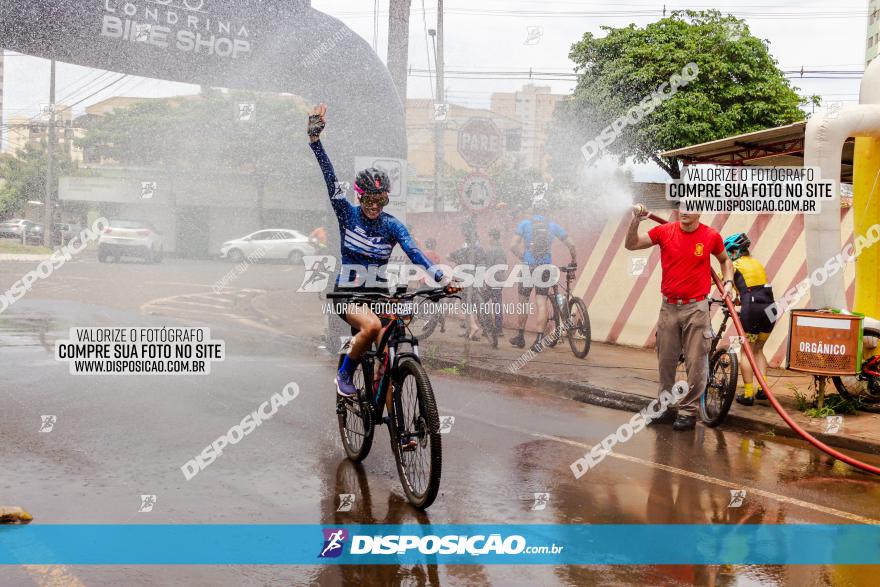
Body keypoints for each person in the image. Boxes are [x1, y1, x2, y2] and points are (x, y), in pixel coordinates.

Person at [307, 103, 449, 410]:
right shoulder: (347, 214)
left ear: (386, 198)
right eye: (368, 199)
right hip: (348, 292)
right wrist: (315, 141)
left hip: (377, 292)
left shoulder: (392, 224)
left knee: (390, 350)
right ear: (360, 196)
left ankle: (398, 427)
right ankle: (344, 376)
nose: (374, 205)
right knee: (370, 328)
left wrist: (439, 277)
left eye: (380, 199)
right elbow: (330, 179)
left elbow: (414, 252)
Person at [625, 205, 735, 431]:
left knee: (696, 363)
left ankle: (688, 412)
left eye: (691, 206)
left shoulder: (710, 236)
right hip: (669, 306)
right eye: (682, 205)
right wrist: (635, 220)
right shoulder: (665, 231)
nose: (685, 210)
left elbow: (725, 260)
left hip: (696, 307)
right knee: (666, 360)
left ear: (700, 212)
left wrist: (728, 282)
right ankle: (665, 407)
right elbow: (631, 244)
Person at [509, 198, 577, 351]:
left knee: (523, 303)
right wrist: (574, 259)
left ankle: (520, 337)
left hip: (528, 267)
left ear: (533, 210)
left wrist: (523, 257)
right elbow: (571, 244)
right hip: (545, 268)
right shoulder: (552, 226)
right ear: (546, 211)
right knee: (541, 303)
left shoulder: (525, 224)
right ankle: (539, 340)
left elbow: (512, 245)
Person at [723, 233, 776, 406]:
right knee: (758, 349)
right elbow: (752, 286)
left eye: (729, 252)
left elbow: (716, 278)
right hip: (770, 310)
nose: (727, 256)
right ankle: (763, 390)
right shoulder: (757, 264)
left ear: (736, 251)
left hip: (752, 310)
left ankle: (747, 394)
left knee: (746, 351)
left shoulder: (734, 264)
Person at [449, 221, 489, 340]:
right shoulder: (478, 244)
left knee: (464, 302)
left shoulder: (467, 244)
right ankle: (470, 328)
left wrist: (454, 257)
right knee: (469, 302)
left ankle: (472, 326)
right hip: (476, 276)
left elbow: (457, 255)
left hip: (465, 277)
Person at [485, 228, 508, 338]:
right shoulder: (501, 250)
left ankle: (487, 328)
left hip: (492, 280)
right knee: (497, 303)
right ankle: (498, 329)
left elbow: (489, 267)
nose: (488, 239)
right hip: (499, 280)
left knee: (483, 302)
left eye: (489, 236)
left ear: (493, 237)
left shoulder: (492, 250)